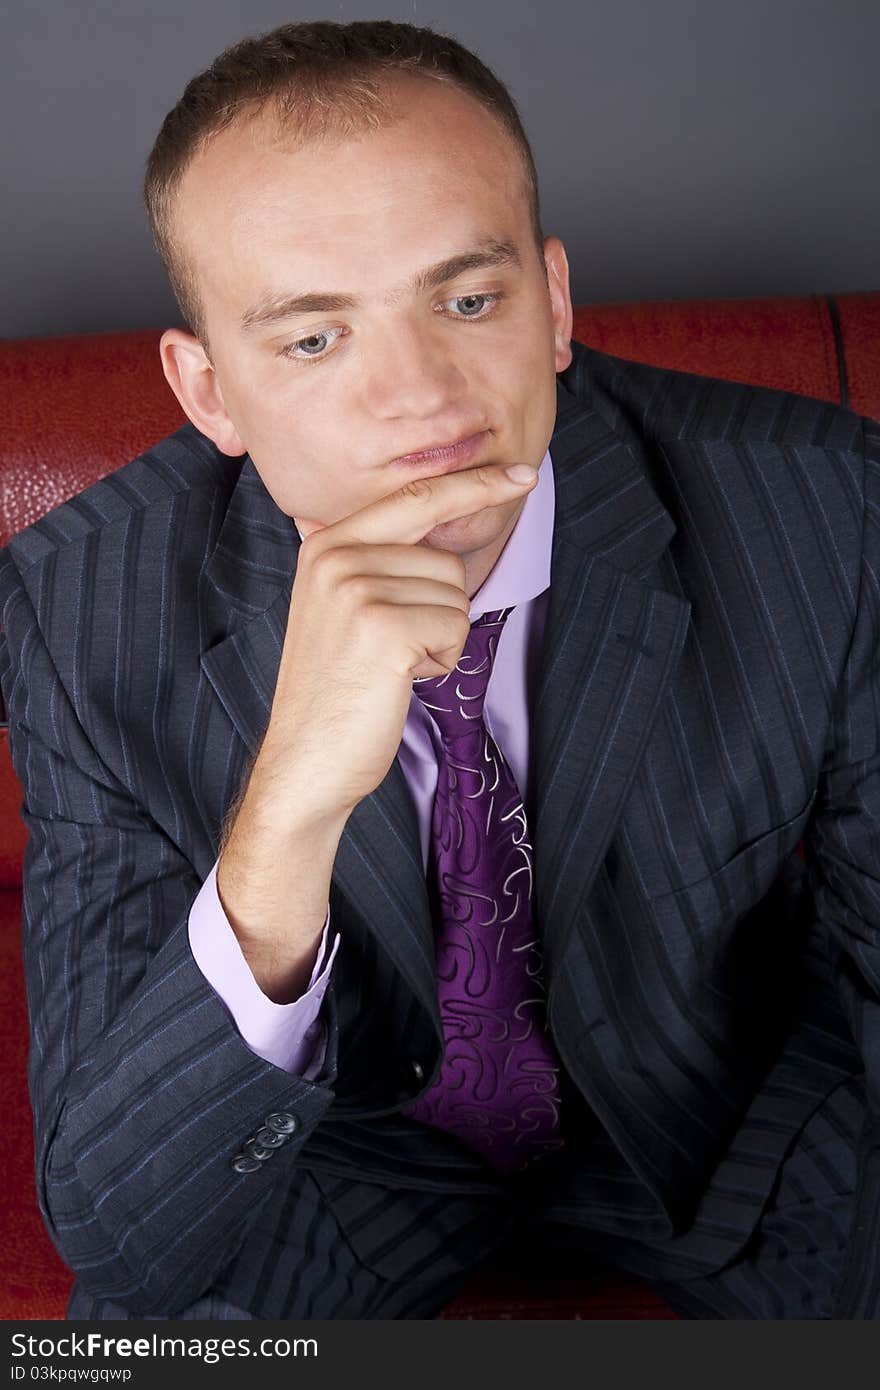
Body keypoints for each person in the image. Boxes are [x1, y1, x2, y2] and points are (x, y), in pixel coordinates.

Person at [0, 18, 878, 1322]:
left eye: (469, 299)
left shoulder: (829, 513)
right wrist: (286, 806)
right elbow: (116, 1230)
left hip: (726, 1112)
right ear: (210, 393)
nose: (420, 395)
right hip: (342, 1150)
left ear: (556, 302)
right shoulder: (83, 608)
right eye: (313, 338)